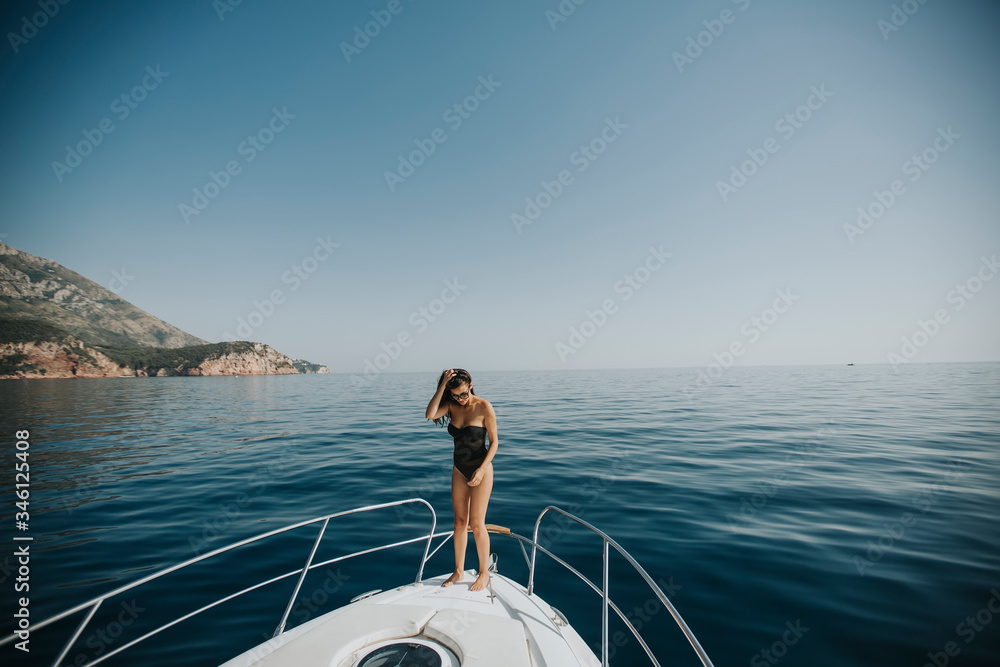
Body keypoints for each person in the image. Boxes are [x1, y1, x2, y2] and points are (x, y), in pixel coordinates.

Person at [425, 368, 498, 591]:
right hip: (459, 470)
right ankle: (458, 570)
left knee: (477, 524)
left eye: (464, 394)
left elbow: (495, 443)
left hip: (481, 470)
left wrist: (482, 469)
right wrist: (442, 387)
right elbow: (430, 414)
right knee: (459, 522)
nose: (461, 399)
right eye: (456, 395)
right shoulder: (452, 405)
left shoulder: (484, 406)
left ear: (471, 386)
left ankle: (484, 573)